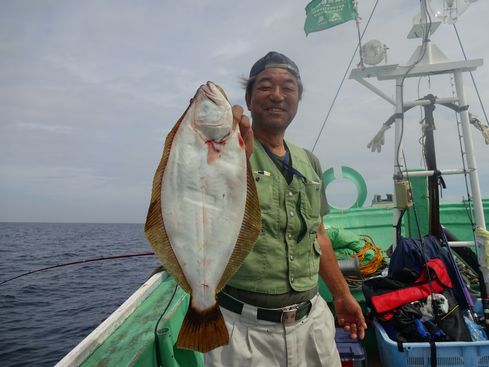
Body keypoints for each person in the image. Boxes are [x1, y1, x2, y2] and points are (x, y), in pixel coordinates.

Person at [205, 51, 367, 367]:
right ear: (249, 99)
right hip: (242, 331)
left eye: (288, 87)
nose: (277, 95)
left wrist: (342, 295)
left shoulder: (310, 161)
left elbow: (318, 235)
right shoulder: (224, 151)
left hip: (313, 323)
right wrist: (230, 159)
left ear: (297, 100)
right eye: (266, 86)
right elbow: (203, 209)